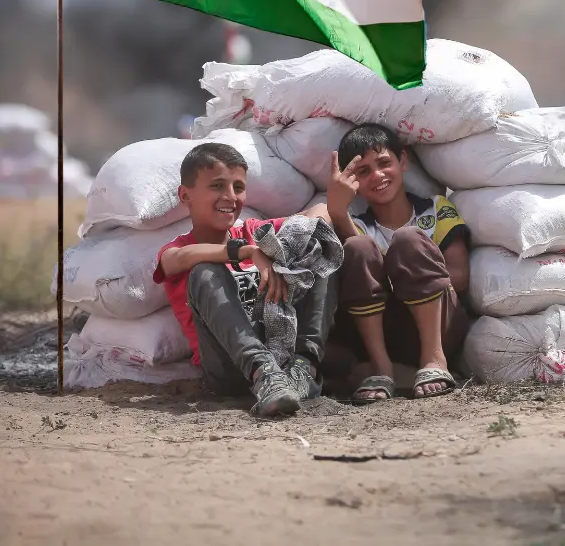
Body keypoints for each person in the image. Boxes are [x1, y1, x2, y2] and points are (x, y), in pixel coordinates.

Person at [153, 142, 337, 417]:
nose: (230, 196)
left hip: (283, 349)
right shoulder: (177, 251)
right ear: (185, 195)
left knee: (317, 248)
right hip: (229, 368)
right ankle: (264, 375)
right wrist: (246, 251)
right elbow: (178, 259)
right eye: (217, 186)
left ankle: (303, 369)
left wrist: (280, 249)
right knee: (204, 271)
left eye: (238, 188)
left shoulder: (255, 231)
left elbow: (321, 211)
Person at [323, 123, 471, 404]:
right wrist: (338, 212)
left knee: (408, 241)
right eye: (363, 172)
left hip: (439, 327)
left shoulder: (436, 209)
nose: (377, 176)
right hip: (384, 334)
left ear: (403, 161)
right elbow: (360, 275)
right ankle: (382, 368)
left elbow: (460, 276)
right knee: (356, 247)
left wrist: (410, 276)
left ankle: (434, 361)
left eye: (384, 163)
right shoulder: (358, 228)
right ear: (352, 181)